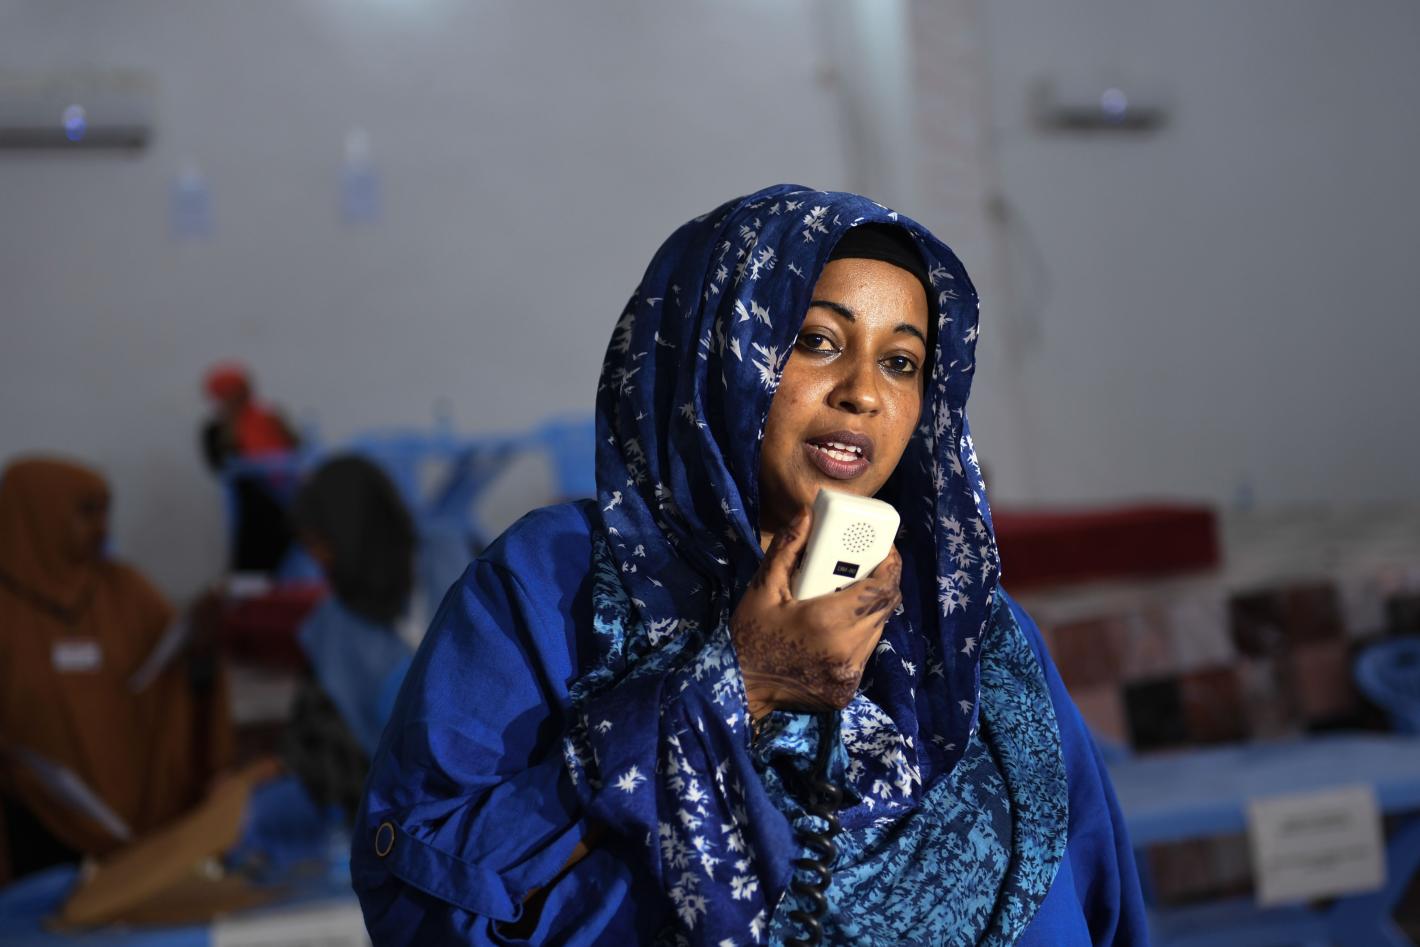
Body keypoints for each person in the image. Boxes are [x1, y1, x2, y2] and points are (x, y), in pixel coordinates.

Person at [351, 185, 1148, 944]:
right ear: (718, 348)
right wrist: (743, 681)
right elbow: (421, 893)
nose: (863, 393)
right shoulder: (556, 584)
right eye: (818, 341)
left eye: (902, 362)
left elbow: (1100, 895)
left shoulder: (974, 640)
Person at [0, 457, 233, 883]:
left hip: (142, 812)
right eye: (86, 512)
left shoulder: (127, 590)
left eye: (105, 511)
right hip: (36, 821)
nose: (102, 527)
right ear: (35, 515)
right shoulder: (9, 609)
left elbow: (178, 679)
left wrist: (201, 648)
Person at [200, 362, 301, 573]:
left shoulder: (270, 419)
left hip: (285, 498)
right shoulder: (215, 430)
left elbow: (295, 449)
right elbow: (220, 465)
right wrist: (231, 431)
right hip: (251, 505)